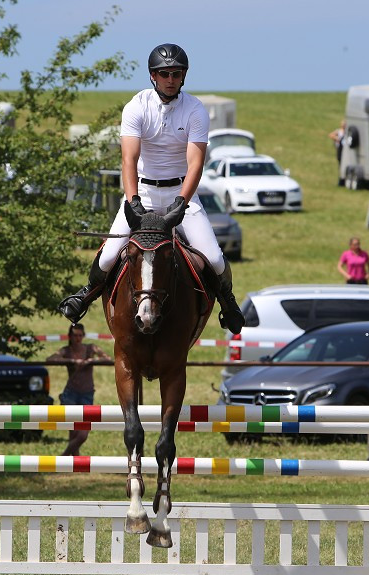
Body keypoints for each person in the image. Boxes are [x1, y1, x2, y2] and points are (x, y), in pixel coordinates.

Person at [57, 43, 244, 334]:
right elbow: (128, 159)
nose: (171, 79)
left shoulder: (195, 110)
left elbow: (195, 163)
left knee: (216, 259)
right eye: (164, 73)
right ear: (153, 76)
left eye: (176, 73)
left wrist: (181, 203)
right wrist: (132, 202)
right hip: (141, 192)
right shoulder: (136, 107)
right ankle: (86, 294)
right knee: (108, 257)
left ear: (184, 76)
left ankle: (228, 302)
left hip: (180, 194)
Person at [46, 323, 111, 456]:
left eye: (80, 335)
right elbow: (50, 359)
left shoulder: (90, 348)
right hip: (71, 393)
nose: (78, 338)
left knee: (82, 434)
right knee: (74, 431)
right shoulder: (66, 350)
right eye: (75, 335)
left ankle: (63, 458)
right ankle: (74, 461)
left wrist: (91, 361)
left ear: (84, 336)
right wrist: (70, 361)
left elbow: (108, 359)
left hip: (87, 394)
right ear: (70, 336)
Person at [328, 121, 346, 186]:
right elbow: (331, 135)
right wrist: (336, 138)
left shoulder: (347, 131)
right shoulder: (339, 131)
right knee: (340, 164)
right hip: (339, 150)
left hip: (345, 150)